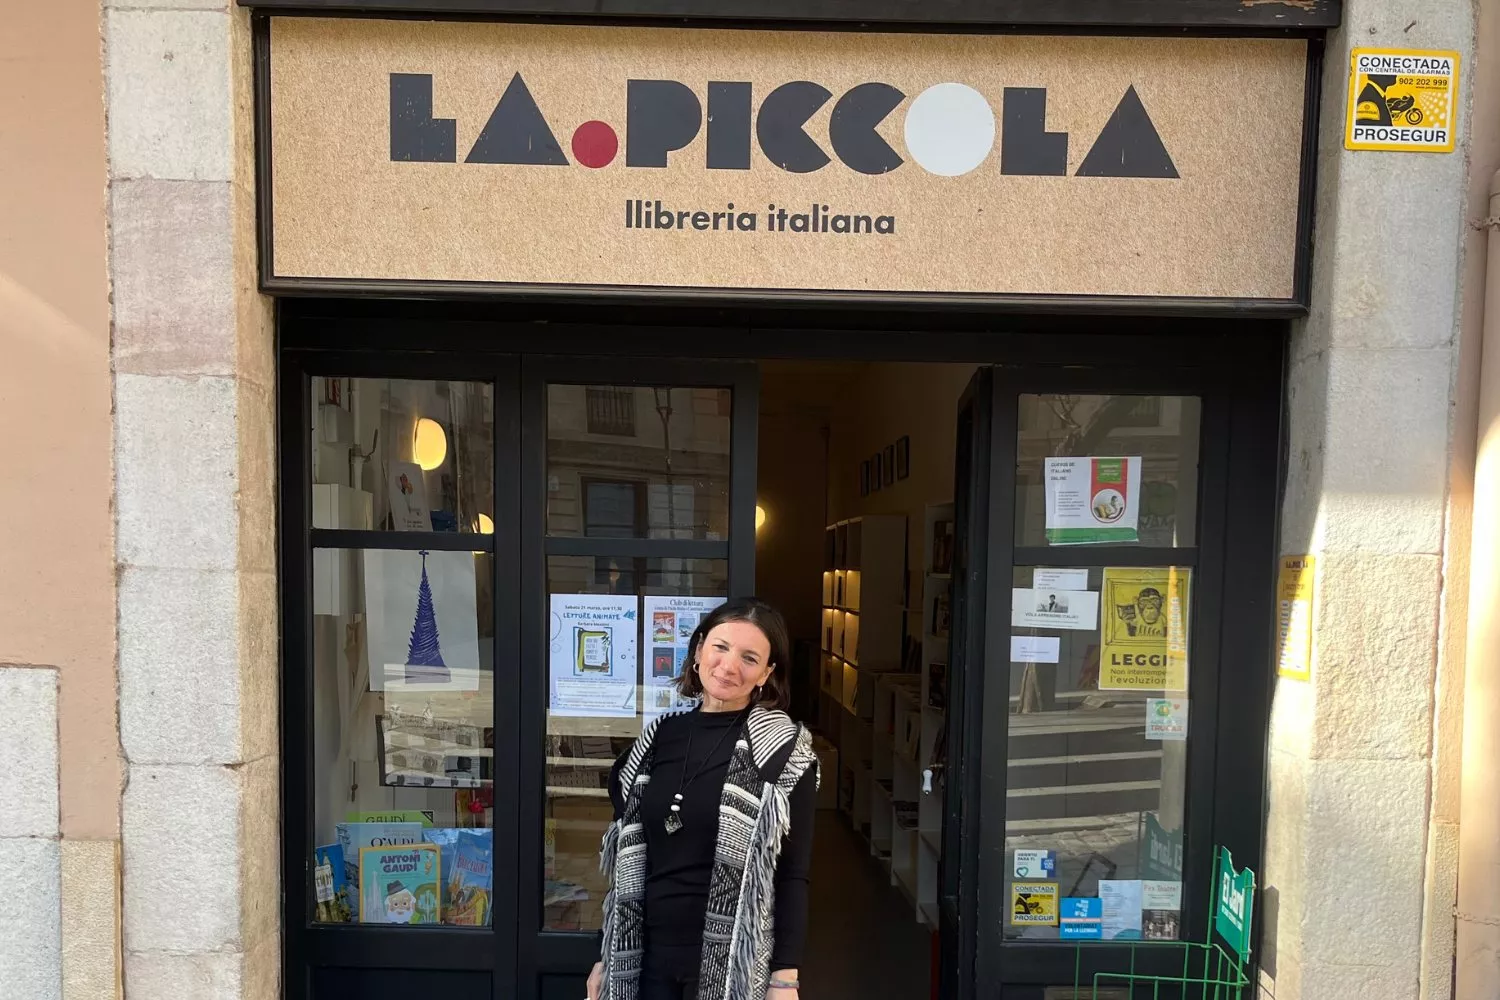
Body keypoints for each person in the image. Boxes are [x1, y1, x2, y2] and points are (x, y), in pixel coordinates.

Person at [587, 597, 818, 1000]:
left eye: (750, 658)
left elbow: (792, 874)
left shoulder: (784, 752)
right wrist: (606, 957)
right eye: (721, 647)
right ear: (698, 651)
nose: (729, 667)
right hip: (643, 960)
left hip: (730, 966)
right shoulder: (659, 739)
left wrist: (785, 979)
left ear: (767, 673)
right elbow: (627, 858)